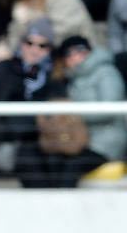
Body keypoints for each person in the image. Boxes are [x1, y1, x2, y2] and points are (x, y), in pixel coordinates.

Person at [22, 35, 126, 186]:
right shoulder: (70, 79)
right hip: (79, 140)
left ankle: (65, 207)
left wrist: (72, 116)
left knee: (71, 167)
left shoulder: (106, 73)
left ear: (90, 52)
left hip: (105, 143)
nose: (75, 56)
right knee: (52, 160)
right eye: (68, 54)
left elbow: (110, 109)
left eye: (80, 50)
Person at [0, 18, 62, 182]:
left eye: (42, 45)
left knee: (31, 161)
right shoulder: (2, 68)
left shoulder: (55, 76)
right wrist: (5, 131)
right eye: (29, 43)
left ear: (50, 50)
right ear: (21, 44)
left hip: (35, 141)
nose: (34, 49)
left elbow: (53, 116)